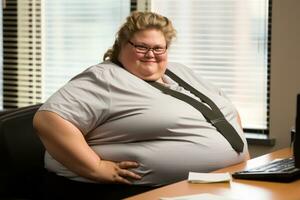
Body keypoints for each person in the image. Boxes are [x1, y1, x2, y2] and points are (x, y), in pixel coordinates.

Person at [33, 11, 250, 199]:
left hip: (216, 184)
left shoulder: (179, 71)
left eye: (158, 48)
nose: (150, 55)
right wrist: (96, 167)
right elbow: (49, 120)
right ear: (121, 45)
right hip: (131, 191)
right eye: (141, 47)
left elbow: (225, 108)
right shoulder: (104, 78)